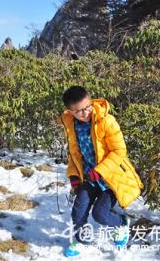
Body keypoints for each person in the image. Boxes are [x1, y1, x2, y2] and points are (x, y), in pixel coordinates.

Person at [60, 86, 143, 257]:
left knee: (100, 214)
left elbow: (119, 151)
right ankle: (81, 240)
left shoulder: (106, 121)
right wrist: (74, 175)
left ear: (90, 101)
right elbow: (74, 154)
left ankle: (121, 223)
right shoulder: (71, 125)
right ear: (70, 111)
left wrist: (100, 171)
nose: (86, 112)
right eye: (79, 111)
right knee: (78, 212)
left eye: (88, 106)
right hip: (89, 178)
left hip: (111, 178)